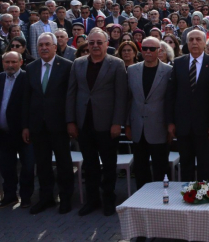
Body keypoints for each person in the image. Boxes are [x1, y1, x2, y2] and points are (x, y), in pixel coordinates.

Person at [66, 29, 128, 216]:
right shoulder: (78, 63)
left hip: (108, 124)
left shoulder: (116, 64)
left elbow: (121, 96)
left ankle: (108, 200)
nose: (95, 46)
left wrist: (117, 122)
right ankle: (92, 200)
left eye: (99, 42)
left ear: (106, 43)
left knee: (109, 165)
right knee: (90, 165)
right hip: (84, 123)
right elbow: (71, 93)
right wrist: (70, 121)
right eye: (91, 42)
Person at [22, 33, 74, 214]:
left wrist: (70, 121)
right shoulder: (31, 68)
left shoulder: (67, 66)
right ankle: (46, 198)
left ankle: (66, 198)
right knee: (42, 164)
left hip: (59, 125)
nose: (43, 48)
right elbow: (27, 98)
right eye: (40, 45)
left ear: (55, 46)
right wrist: (26, 126)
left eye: (47, 44)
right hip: (37, 125)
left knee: (64, 163)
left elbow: (71, 97)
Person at [165, 29, 209, 183]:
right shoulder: (179, 63)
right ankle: (187, 196)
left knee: (205, 165)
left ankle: (206, 197)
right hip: (182, 124)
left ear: (204, 42)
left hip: (204, 125)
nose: (194, 43)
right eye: (191, 40)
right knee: (186, 165)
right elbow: (171, 94)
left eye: (198, 39)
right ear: (186, 43)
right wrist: (170, 121)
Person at [127, 37, 172, 191]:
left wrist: (170, 125)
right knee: (140, 169)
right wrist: (127, 124)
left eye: (152, 49)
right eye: (145, 48)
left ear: (159, 51)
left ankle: (161, 200)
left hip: (159, 127)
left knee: (161, 168)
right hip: (138, 127)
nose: (148, 51)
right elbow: (128, 99)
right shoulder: (132, 70)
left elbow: (170, 101)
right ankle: (141, 199)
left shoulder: (168, 71)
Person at [0, 51, 33, 209]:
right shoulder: (0, 78)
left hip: (23, 131)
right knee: (7, 166)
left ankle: (26, 197)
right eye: (7, 62)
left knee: (27, 166)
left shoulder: (27, 78)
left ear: (21, 63)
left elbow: (30, 105)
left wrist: (27, 126)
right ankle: (10, 196)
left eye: (14, 62)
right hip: (4, 133)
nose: (10, 65)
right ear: (3, 63)